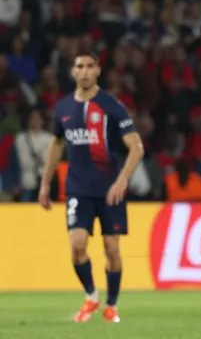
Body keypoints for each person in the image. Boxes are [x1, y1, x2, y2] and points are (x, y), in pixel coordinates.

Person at [38, 53, 145, 323]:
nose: (84, 71)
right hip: (78, 188)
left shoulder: (111, 106)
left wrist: (122, 181)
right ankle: (91, 296)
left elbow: (136, 147)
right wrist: (44, 184)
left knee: (112, 249)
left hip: (110, 190)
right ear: (72, 72)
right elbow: (56, 144)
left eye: (89, 66)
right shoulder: (63, 108)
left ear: (98, 70)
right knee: (77, 244)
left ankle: (112, 305)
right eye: (79, 66)